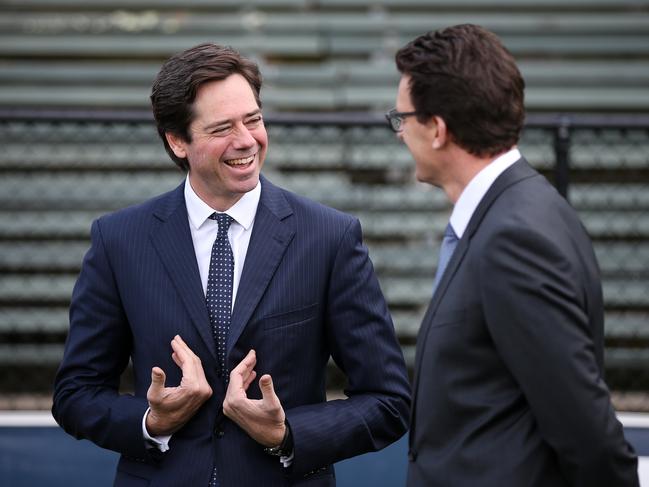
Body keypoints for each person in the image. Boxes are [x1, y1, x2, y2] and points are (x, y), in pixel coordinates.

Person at [52, 43, 410, 487]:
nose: (246, 140)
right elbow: (75, 395)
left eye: (254, 119)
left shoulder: (329, 237)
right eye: (222, 127)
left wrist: (288, 434)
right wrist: (152, 422)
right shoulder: (119, 239)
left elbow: (389, 400)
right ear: (177, 140)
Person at [388, 24, 639, 487]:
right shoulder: (520, 209)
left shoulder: (514, 238)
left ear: (438, 129)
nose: (400, 133)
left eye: (402, 118)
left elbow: (587, 431)